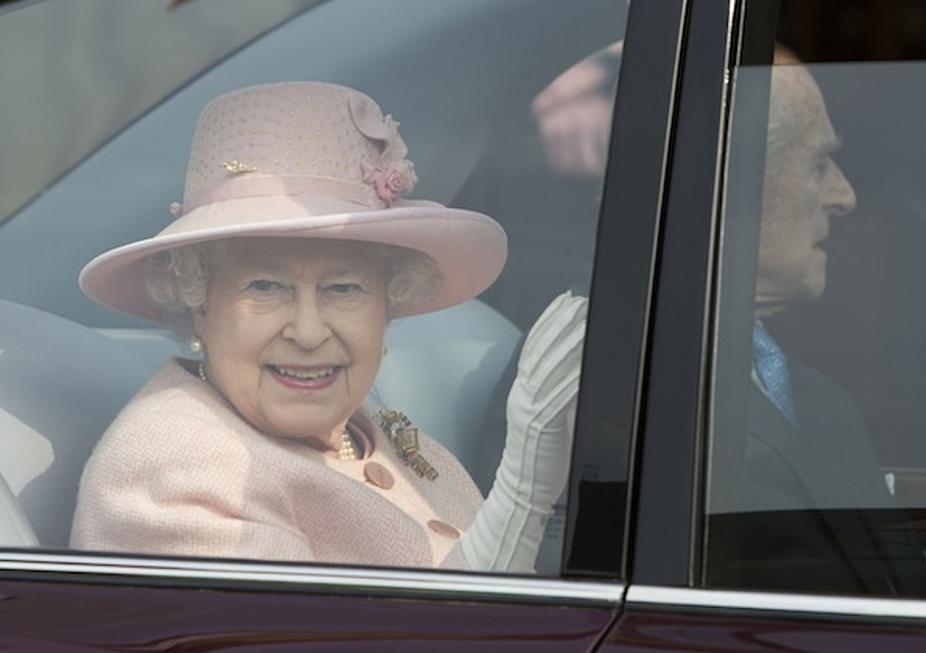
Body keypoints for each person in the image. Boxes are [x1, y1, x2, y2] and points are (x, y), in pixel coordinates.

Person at [70, 81, 579, 572]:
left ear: (388, 304)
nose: (310, 332)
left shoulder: (373, 429)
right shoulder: (178, 471)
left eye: (344, 289)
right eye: (266, 287)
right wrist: (521, 495)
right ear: (198, 299)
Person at [708, 47, 926, 596]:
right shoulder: (597, 385)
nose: (845, 196)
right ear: (739, 180)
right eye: (816, 163)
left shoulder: (823, 402)